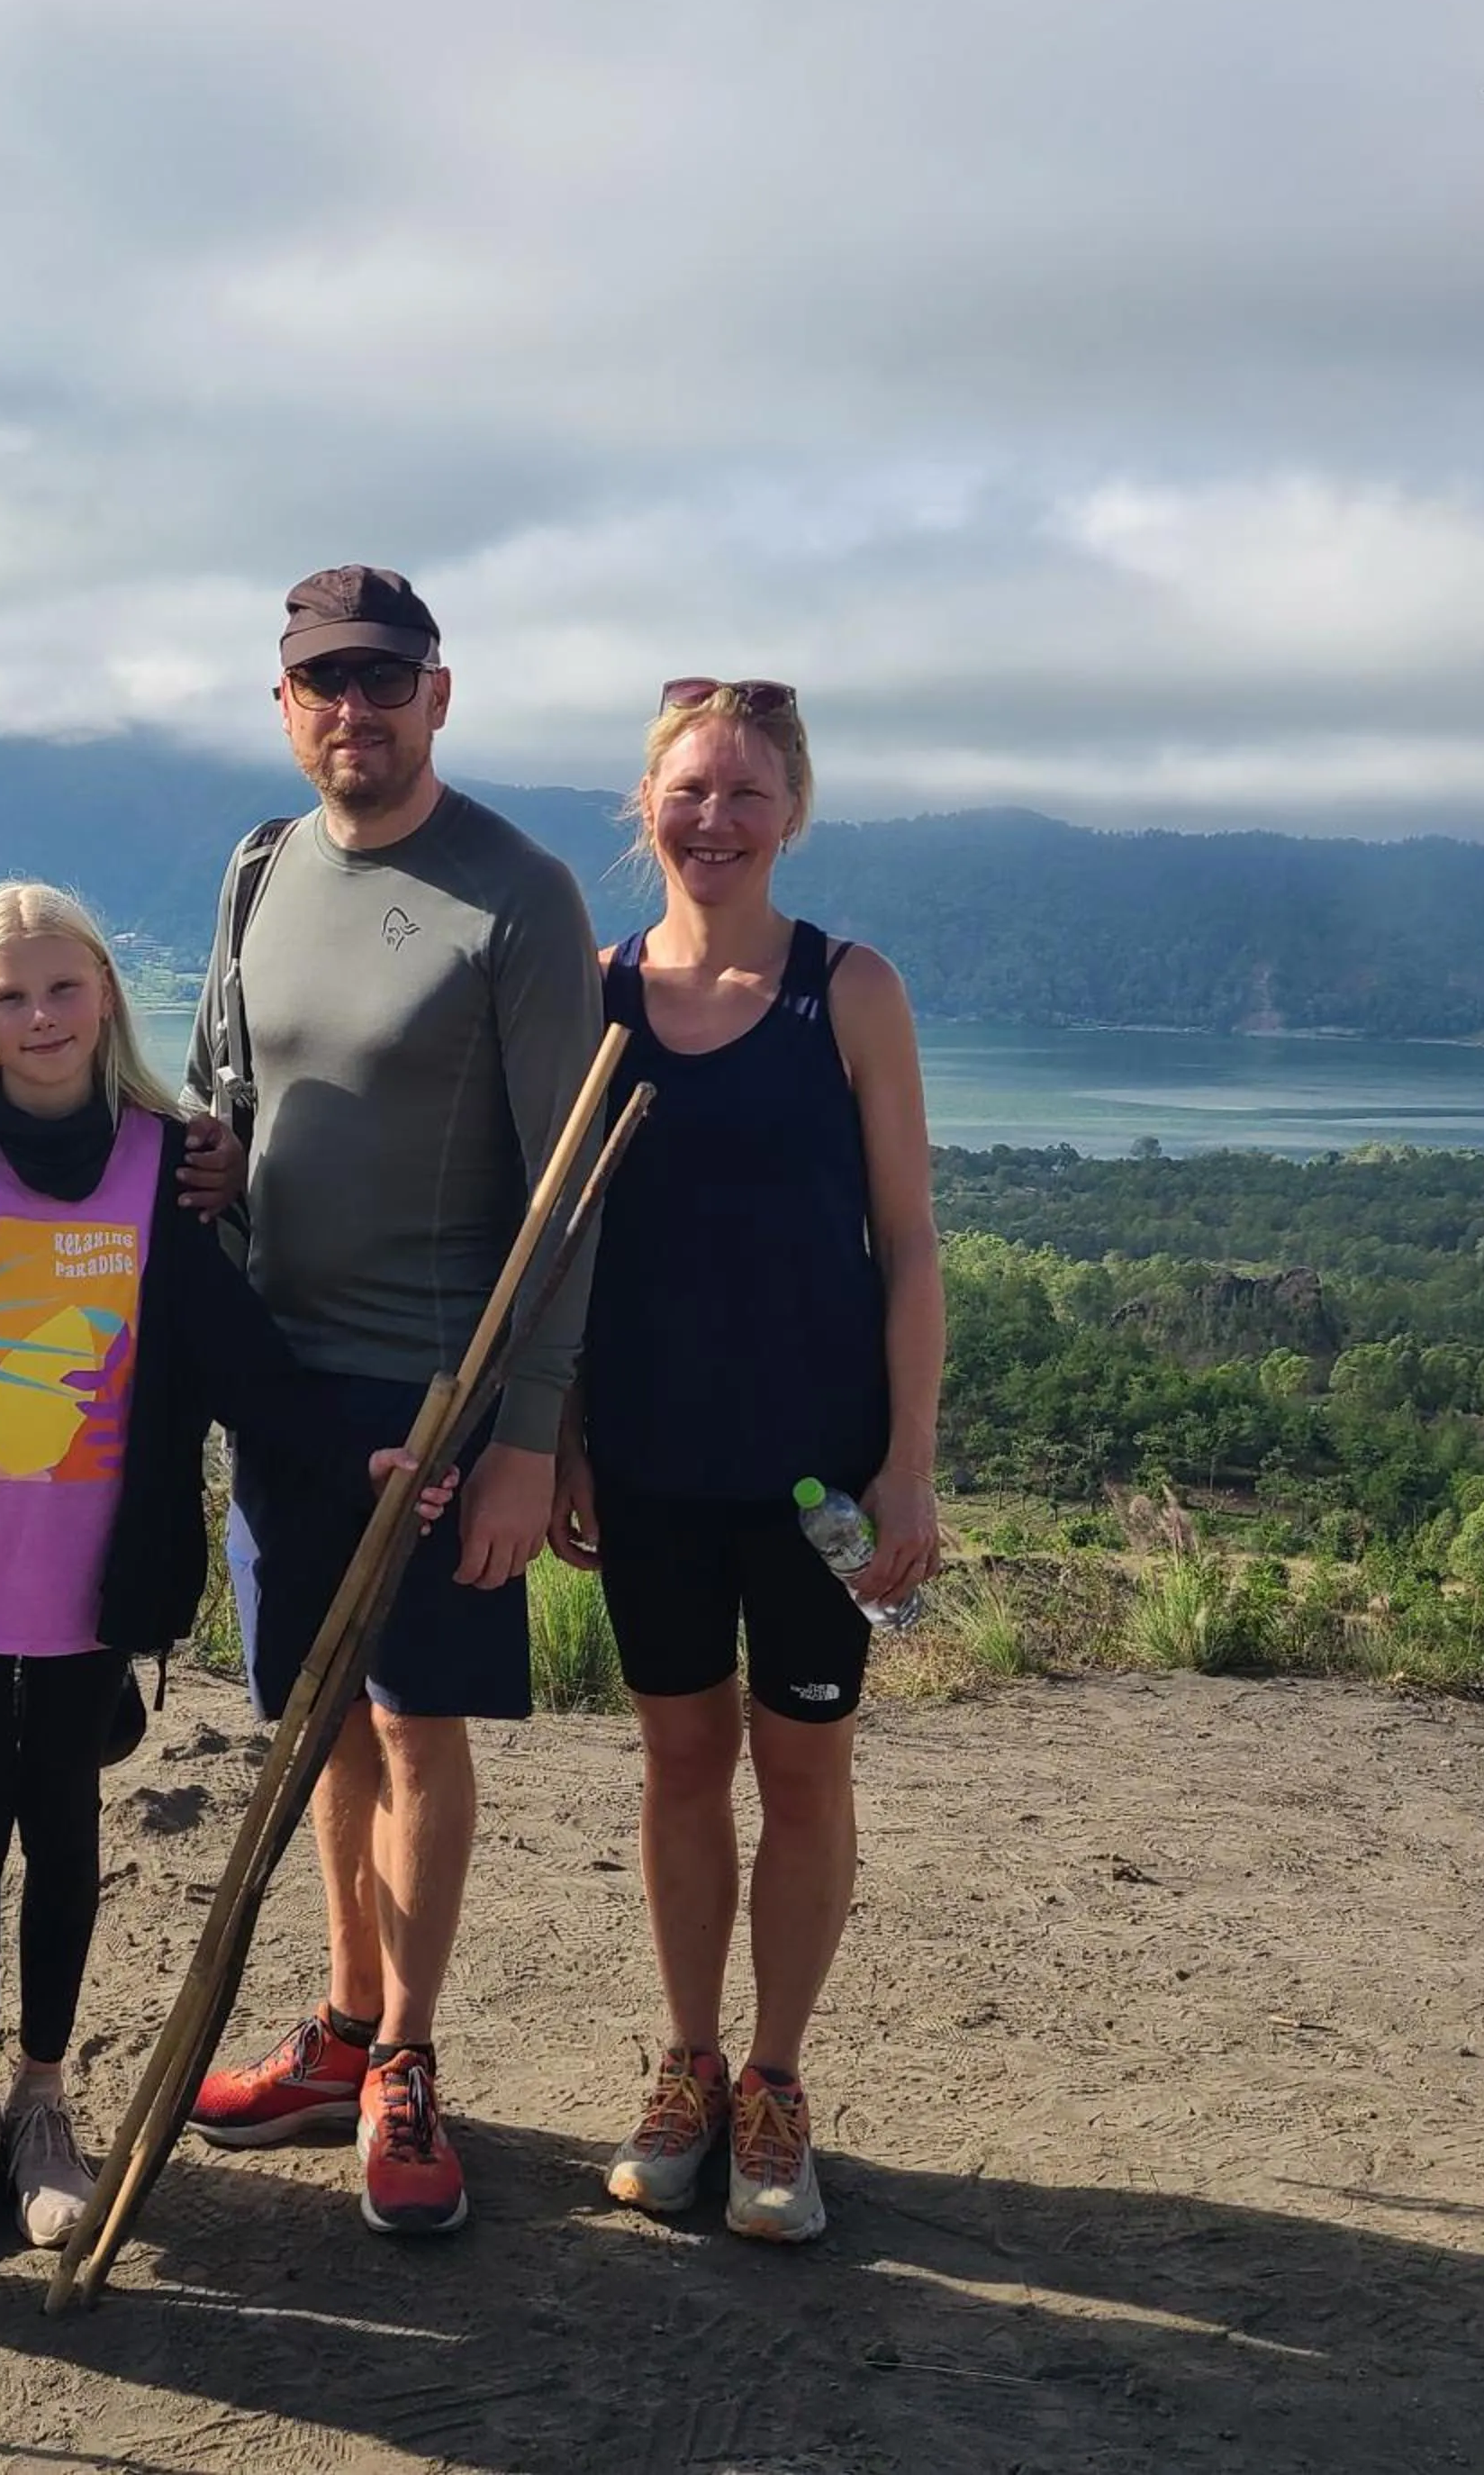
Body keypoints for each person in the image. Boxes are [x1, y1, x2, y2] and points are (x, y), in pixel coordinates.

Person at [0, 883, 455, 2266]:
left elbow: (241, 1359)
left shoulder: (162, 1169)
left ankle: (48, 2104)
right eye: (10, 996)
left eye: (65, 989)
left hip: (94, 1583)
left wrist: (356, 1454)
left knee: (61, 1827)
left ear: (107, 995)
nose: (42, 1017)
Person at [182, 565, 603, 2237]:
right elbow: (230, 1092)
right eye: (320, 681)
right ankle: (347, 2021)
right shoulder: (259, 868)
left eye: (382, 677)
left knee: (418, 1724)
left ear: (440, 693)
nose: (351, 707)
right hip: (280, 1383)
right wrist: (210, 1162)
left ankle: (413, 2060)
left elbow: (570, 1193)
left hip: (436, 1389)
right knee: (324, 1718)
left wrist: (524, 1432)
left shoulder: (519, 893)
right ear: (285, 706)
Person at [552, 678, 944, 2244]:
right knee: (677, 1764)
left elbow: (910, 1246)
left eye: (748, 793)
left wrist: (910, 1462)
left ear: (795, 813)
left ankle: (777, 2086)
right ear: (643, 806)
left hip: (818, 1478)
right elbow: (557, 1252)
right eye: (690, 791)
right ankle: (689, 2066)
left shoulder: (847, 990)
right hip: (647, 1461)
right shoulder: (594, 995)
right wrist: (564, 1437)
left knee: (802, 1764)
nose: (716, 820)